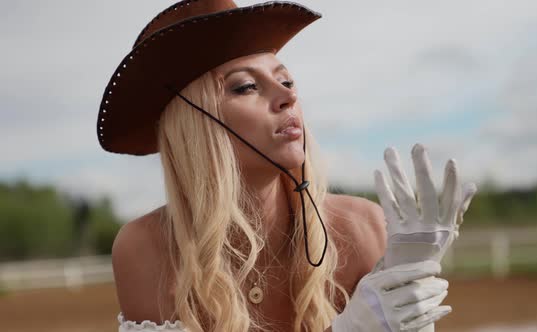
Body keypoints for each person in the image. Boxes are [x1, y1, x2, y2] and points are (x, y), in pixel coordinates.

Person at [101, 1, 477, 331]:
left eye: (286, 79)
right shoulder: (146, 248)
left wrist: (411, 302)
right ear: (194, 125)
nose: (288, 95)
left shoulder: (362, 229)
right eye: (246, 86)